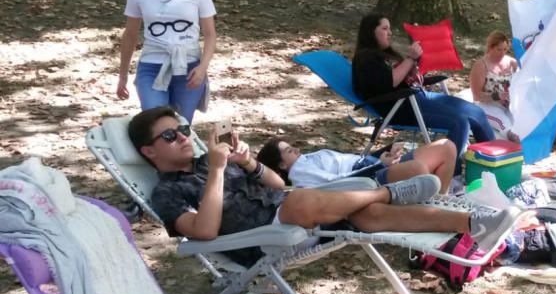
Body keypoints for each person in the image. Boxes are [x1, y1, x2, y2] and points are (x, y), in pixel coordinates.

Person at [128, 106, 520, 267]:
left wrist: (246, 162)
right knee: (300, 204)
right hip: (261, 239)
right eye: (169, 137)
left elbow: (277, 182)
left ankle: (472, 225)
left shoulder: (208, 159)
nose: (182, 137)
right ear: (149, 151)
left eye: (183, 130)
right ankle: (388, 190)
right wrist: (216, 172)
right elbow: (204, 232)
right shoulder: (166, 192)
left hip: (295, 212)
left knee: (368, 215)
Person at [352, 14, 495, 166]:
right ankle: (451, 174)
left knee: (476, 112)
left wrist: (416, 65)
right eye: (385, 28)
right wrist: (410, 59)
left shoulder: (387, 53)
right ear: (370, 32)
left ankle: (495, 160)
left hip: (416, 98)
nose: (390, 33)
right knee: (459, 122)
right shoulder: (365, 58)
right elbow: (390, 82)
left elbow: (405, 76)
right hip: (401, 108)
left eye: (389, 28)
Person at [116, 0, 217, 124]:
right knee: (158, 123)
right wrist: (123, 76)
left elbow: (210, 35)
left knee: (181, 126)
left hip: (189, 67)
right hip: (151, 66)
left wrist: (202, 68)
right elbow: (130, 35)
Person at [258, 137, 455, 193]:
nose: (295, 150)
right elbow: (336, 182)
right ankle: (434, 205)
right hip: (368, 181)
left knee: (447, 147)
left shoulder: (308, 159)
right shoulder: (300, 172)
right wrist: (379, 165)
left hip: (374, 166)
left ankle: (439, 200)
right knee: (419, 170)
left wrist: (384, 152)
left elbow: (354, 160)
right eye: (288, 151)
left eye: (292, 146)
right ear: (282, 166)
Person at [469, 31, 519, 141]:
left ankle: (553, 138)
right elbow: (477, 97)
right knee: (503, 123)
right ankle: (515, 142)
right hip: (487, 105)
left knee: (520, 121)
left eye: (505, 50)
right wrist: (497, 96)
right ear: (491, 48)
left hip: (509, 105)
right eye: (499, 49)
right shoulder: (481, 66)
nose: (502, 53)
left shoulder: (512, 63)